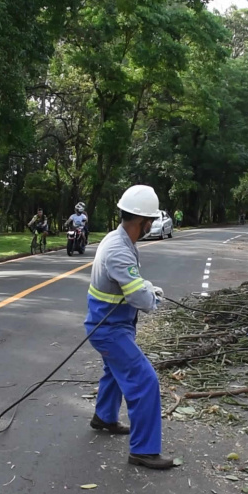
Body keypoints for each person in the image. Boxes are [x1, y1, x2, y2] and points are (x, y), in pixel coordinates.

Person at [85, 185, 173, 470]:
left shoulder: (119, 240)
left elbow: (132, 283)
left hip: (112, 324)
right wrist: (153, 298)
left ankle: (104, 418)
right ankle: (143, 451)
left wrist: (148, 287)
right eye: (151, 221)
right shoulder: (119, 250)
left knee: (114, 371)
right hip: (108, 328)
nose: (152, 225)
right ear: (144, 221)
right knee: (145, 381)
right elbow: (139, 298)